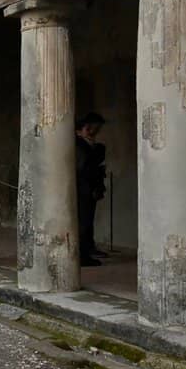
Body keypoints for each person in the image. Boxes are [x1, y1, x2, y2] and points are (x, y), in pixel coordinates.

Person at [75, 112, 107, 267]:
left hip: (89, 189)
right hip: (83, 189)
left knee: (87, 221)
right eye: (90, 128)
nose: (94, 131)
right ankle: (82, 256)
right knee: (83, 222)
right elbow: (84, 168)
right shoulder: (79, 145)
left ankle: (88, 249)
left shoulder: (91, 145)